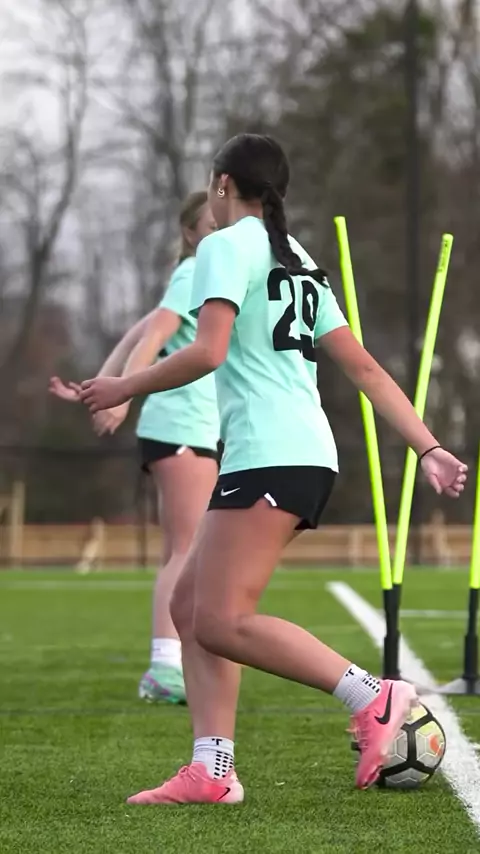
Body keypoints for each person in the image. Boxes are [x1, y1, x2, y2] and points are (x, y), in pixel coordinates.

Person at [79, 134, 467, 801]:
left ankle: (373, 696)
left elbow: (207, 352)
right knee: (188, 606)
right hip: (299, 454)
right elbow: (365, 368)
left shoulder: (223, 247)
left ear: (223, 185)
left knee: (221, 619)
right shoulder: (299, 258)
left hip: (270, 453)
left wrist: (125, 386)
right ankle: (213, 770)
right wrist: (427, 445)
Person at [50, 191, 219, 706]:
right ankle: (166, 667)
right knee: (187, 550)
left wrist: (101, 383)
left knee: (180, 550)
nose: (222, 234)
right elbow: (153, 337)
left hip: (185, 427)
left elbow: (139, 331)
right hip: (183, 424)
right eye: (211, 227)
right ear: (190, 234)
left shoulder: (202, 277)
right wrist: (121, 395)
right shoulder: (194, 272)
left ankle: (172, 662)